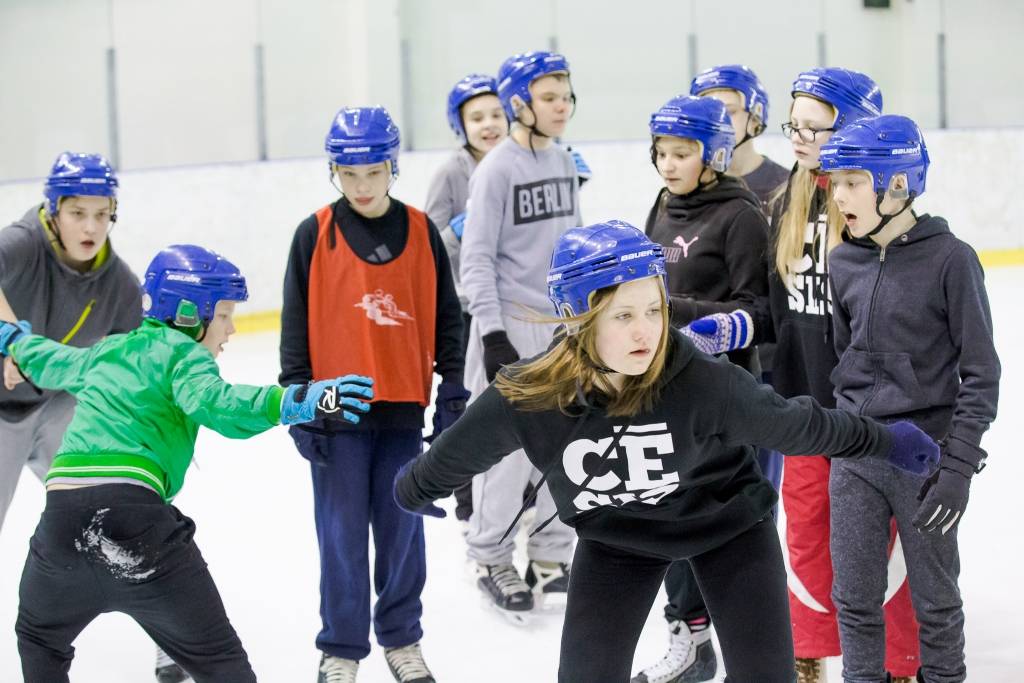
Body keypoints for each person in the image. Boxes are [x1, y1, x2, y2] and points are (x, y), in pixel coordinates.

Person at [394, 220, 939, 683]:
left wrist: (887, 440)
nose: (647, 332)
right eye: (623, 316)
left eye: (654, 310)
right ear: (576, 319)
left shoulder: (703, 383)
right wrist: (414, 487)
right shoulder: (531, 396)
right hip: (618, 537)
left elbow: (799, 425)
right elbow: (455, 453)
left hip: (728, 527)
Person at [2, 244, 375, 683]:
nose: (232, 329)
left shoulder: (107, 351)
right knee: (222, 668)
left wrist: (13, 341)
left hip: (59, 529)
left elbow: (50, 359)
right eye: (222, 315)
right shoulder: (183, 355)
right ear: (187, 314)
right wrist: (294, 401)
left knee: (39, 639)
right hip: (134, 525)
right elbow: (217, 404)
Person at [279, 105, 465, 683]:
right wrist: (298, 404)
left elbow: (446, 320)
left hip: (403, 410)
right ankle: (340, 648)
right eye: (347, 173)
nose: (360, 186)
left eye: (373, 172)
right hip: (336, 412)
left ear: (393, 166)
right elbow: (294, 329)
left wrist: (453, 391)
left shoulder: (420, 230)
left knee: (402, 529)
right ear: (333, 170)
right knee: (339, 534)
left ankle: (402, 639)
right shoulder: (314, 233)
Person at [821, 115, 1000, 683]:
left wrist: (958, 469)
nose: (838, 194)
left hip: (924, 458)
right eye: (836, 180)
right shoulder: (842, 260)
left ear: (896, 183)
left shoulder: (951, 260)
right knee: (853, 598)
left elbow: (981, 373)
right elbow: (843, 356)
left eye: (853, 180)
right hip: (855, 452)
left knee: (936, 599)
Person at [763, 68, 922, 683]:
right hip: (805, 405)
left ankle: (898, 660)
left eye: (813, 126)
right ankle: (809, 647)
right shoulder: (784, 202)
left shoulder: (881, 208)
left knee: (881, 540)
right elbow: (776, 307)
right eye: (793, 124)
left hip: (874, 411)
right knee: (805, 530)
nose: (798, 137)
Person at [633, 94, 769, 683]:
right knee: (666, 513)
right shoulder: (662, 206)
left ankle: (740, 645)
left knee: (721, 523)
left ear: (712, 154)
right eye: (661, 152)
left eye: (681, 153)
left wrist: (684, 317)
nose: (668, 164)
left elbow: (760, 312)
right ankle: (689, 639)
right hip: (667, 389)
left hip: (724, 395)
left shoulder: (741, 216)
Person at [458, 50, 582, 622]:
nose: (562, 107)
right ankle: (490, 557)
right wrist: (491, 334)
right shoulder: (497, 170)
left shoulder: (561, 162)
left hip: (561, 335)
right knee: (506, 460)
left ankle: (552, 556)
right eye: (549, 97)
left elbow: (571, 246)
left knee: (567, 452)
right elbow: (477, 257)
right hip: (511, 333)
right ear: (519, 104)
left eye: (566, 96)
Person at [0, 151, 140, 534]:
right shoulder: (24, 242)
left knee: (101, 511)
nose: (91, 228)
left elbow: (136, 364)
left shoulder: (120, 284)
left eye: (101, 214)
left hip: (54, 403)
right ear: (54, 210)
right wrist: (12, 340)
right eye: (78, 213)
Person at [425, 73, 508, 523]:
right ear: (460, 124)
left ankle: (515, 485)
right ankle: (464, 491)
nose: (489, 124)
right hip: (464, 307)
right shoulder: (451, 172)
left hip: (509, 301)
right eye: (477, 117)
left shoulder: (518, 161)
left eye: (496, 114)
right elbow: (425, 244)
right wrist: (458, 230)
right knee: (464, 401)